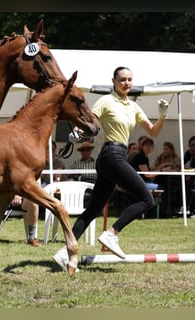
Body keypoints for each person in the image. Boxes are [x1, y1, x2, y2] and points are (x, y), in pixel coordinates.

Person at [53, 66, 168, 271]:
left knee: (93, 209)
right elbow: (91, 121)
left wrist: (162, 116)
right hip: (111, 154)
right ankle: (111, 233)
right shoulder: (106, 101)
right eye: (122, 79)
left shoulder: (133, 106)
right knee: (146, 199)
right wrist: (77, 134)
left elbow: (153, 132)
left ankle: (64, 252)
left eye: (129, 79)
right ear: (114, 81)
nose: (126, 83)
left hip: (114, 157)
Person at [153, 141, 182, 218]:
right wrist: (164, 165)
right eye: (164, 149)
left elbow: (178, 169)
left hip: (173, 180)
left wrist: (170, 167)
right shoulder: (160, 157)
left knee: (168, 188)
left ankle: (168, 210)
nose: (165, 151)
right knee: (164, 187)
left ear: (171, 149)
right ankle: (161, 209)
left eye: (167, 149)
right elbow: (154, 168)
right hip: (160, 179)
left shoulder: (175, 158)